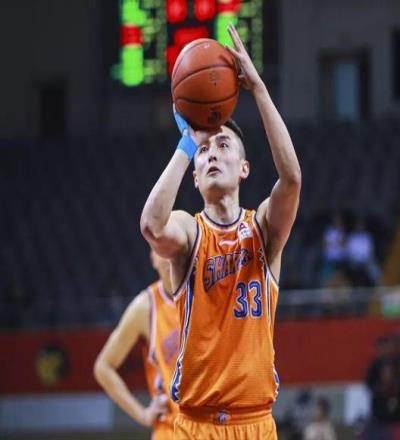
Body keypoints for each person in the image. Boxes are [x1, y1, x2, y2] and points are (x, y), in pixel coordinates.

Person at [140, 24, 301, 440]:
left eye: (223, 146)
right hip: (197, 425)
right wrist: (186, 145)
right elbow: (151, 226)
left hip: (255, 423)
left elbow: (291, 180)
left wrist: (259, 90)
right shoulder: (189, 232)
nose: (213, 154)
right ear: (194, 176)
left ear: (244, 168)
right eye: (205, 151)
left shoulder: (263, 230)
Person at [94, 251, 180, 439]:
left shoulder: (208, 293)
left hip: (213, 427)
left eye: (174, 246)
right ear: (153, 259)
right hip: (171, 431)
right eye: (162, 249)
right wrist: (143, 415)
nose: (169, 256)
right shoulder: (145, 307)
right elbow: (103, 367)